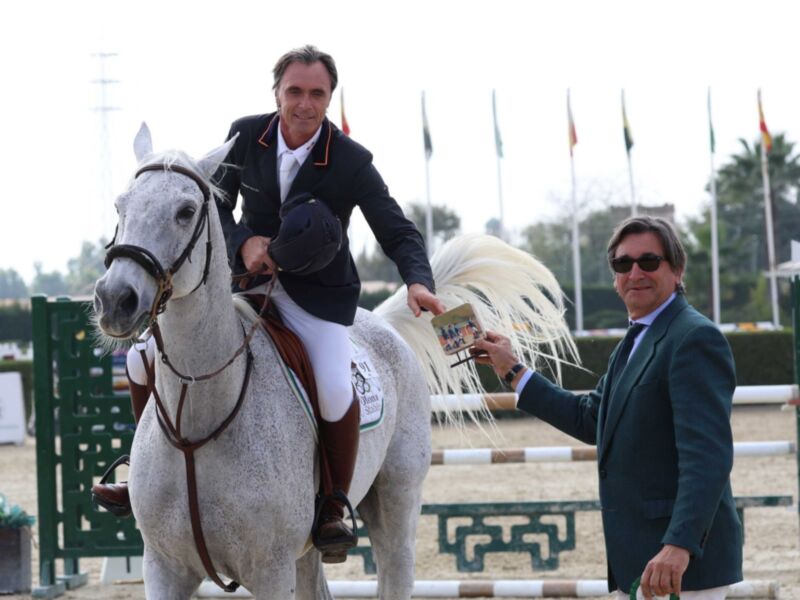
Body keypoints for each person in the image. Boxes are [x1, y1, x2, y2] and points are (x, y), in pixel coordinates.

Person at [93, 44, 445, 564]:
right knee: (145, 356)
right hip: (241, 290)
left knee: (331, 383)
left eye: (317, 94)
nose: (305, 104)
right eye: (295, 92)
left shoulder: (349, 160)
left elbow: (395, 227)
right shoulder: (246, 136)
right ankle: (142, 473)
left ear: (330, 97)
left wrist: (417, 280)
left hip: (314, 299)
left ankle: (331, 503)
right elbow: (212, 207)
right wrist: (243, 244)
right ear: (278, 92)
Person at [472, 216, 742, 599]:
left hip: (681, 567)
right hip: (639, 562)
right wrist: (512, 370)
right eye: (622, 264)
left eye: (649, 262)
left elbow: (708, 457)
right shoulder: (636, 341)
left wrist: (679, 546)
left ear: (677, 269)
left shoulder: (694, 338)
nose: (634, 273)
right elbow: (591, 419)